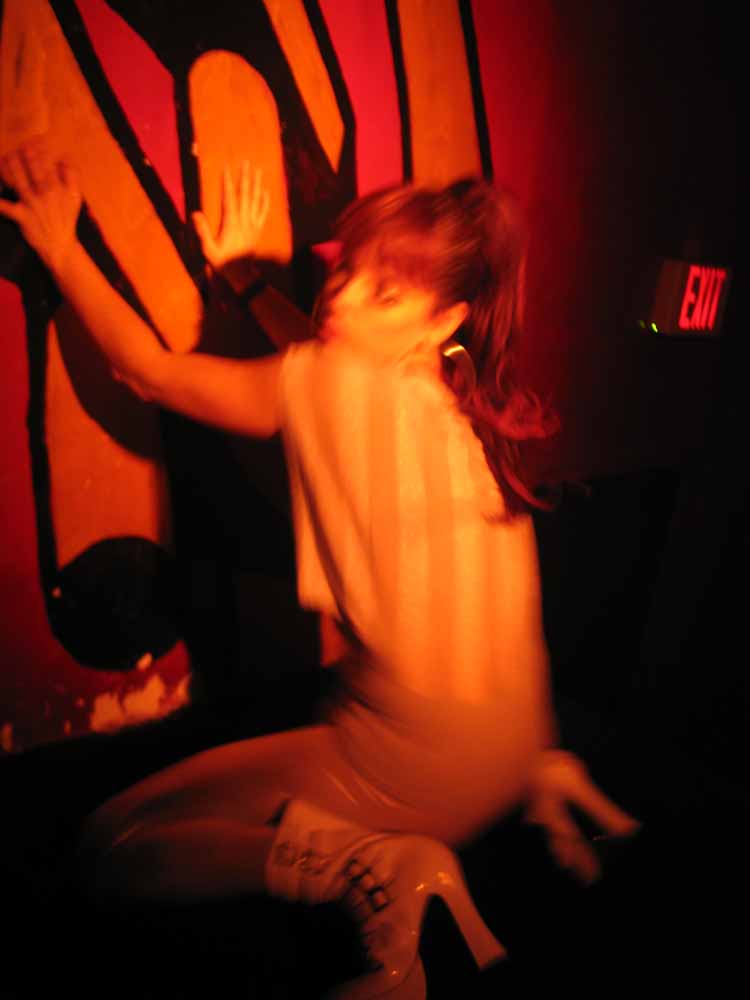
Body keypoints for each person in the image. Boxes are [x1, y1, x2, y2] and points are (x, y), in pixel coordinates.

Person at [0, 140, 639, 999]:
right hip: (525, 744)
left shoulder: (321, 381)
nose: (341, 294)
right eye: (350, 268)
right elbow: (334, 357)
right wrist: (244, 280)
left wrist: (60, 245)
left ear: (441, 320)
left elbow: (146, 372)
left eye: (386, 290)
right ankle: (529, 798)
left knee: (110, 845)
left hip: (417, 770)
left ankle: (369, 872)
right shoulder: (465, 405)